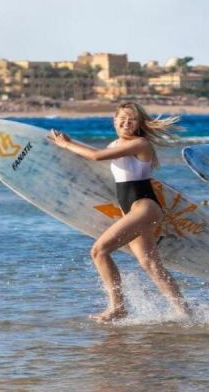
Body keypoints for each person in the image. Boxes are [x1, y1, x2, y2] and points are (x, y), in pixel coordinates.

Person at [48, 102, 190, 322]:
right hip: (130, 208)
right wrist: (70, 145)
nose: (126, 123)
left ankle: (118, 307)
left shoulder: (140, 143)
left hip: (144, 206)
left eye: (132, 119)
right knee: (151, 265)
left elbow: (96, 156)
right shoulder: (114, 144)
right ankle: (185, 313)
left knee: (99, 251)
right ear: (114, 121)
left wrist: (66, 144)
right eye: (122, 118)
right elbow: (96, 158)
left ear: (139, 124)